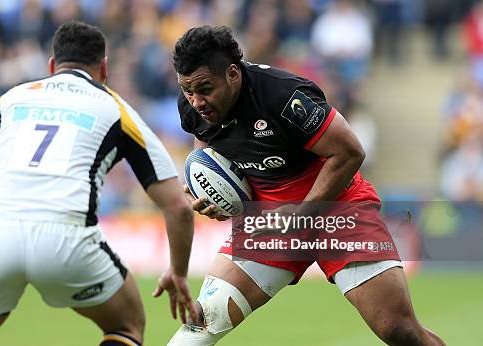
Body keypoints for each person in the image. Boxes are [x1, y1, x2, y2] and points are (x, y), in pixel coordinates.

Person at [168, 25, 445, 346]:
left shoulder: (283, 95)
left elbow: (350, 152)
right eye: (188, 90)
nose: (196, 101)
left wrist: (300, 214)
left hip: (338, 211)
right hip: (269, 221)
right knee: (203, 321)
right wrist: (205, 188)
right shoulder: (193, 104)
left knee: (401, 332)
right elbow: (206, 146)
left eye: (204, 89)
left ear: (232, 73)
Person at [0, 20, 197, 346]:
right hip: (66, 239)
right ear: (103, 68)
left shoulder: (9, 100)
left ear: (51, 66)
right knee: (126, 325)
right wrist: (178, 271)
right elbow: (177, 207)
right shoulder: (116, 108)